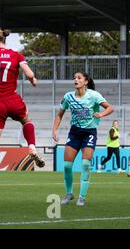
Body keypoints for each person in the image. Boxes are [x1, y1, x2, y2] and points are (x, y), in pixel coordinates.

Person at [0, 28, 45, 209]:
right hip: (13, 99)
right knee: (26, 120)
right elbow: (29, 74)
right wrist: (33, 80)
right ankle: (31, 147)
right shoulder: (16, 55)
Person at [52, 72, 113, 206]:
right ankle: (69, 193)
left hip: (89, 133)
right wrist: (54, 130)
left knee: (85, 164)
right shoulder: (68, 97)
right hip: (74, 133)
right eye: (74, 77)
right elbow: (59, 115)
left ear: (86, 82)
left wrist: (101, 114)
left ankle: (82, 197)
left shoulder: (93, 95)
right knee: (67, 166)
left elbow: (110, 108)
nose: (75, 79)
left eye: (79, 78)